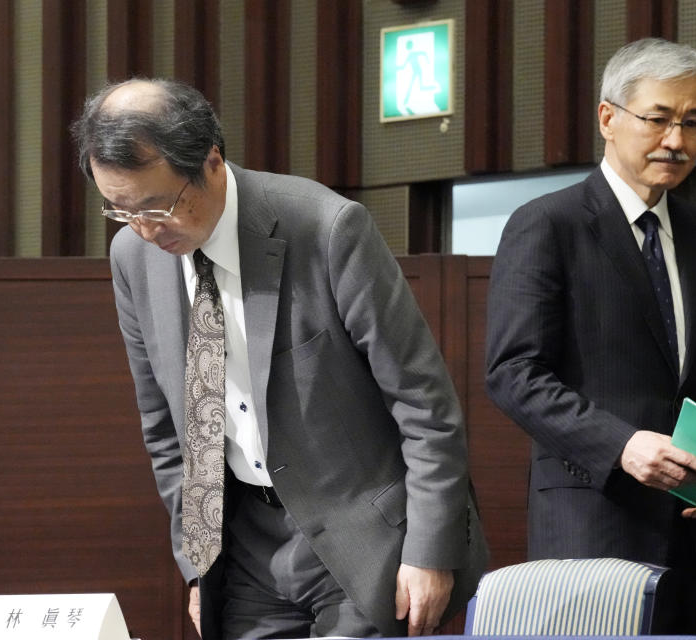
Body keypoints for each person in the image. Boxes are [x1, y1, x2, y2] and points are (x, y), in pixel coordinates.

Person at [72, 78, 487, 639]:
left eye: (157, 206)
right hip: (246, 548)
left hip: (363, 539)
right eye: (121, 211)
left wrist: (431, 551)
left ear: (212, 162)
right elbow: (169, 432)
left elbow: (423, 402)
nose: (144, 230)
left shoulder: (325, 227)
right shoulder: (133, 259)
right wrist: (198, 566)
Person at [485, 38, 696, 634]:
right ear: (608, 118)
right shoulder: (547, 225)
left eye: (693, 123)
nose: (676, 140)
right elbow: (513, 373)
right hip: (597, 521)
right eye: (659, 118)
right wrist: (621, 445)